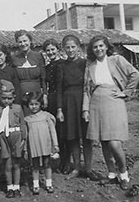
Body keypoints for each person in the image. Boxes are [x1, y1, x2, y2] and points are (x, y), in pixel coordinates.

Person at [82, 35, 139, 190]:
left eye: (101, 46)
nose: (98, 49)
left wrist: (126, 92)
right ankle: (111, 174)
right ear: (92, 50)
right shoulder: (90, 66)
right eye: (95, 47)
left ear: (107, 47)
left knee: (114, 143)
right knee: (103, 142)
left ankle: (123, 174)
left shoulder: (117, 60)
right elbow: (86, 90)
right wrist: (85, 109)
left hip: (114, 101)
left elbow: (135, 74)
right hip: (96, 103)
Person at [56, 35, 94, 180]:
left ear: (78, 47)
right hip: (68, 104)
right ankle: (77, 167)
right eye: (67, 47)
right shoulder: (62, 66)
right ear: (64, 49)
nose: (70, 50)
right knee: (73, 138)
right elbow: (59, 89)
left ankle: (88, 168)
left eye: (73, 47)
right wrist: (59, 109)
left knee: (87, 137)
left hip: (84, 101)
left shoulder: (85, 63)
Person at [0, 79, 27, 198]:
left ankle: (17, 187)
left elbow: (23, 124)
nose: (6, 101)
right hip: (3, 138)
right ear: (0, 97)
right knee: (7, 164)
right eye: (3, 98)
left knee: (17, 163)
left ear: (14, 97)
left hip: (16, 136)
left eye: (9, 98)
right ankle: (9, 187)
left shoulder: (18, 108)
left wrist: (24, 139)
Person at [24, 91, 59, 195]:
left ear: (40, 104)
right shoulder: (27, 119)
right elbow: (25, 136)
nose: (34, 107)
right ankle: (35, 185)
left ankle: (49, 183)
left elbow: (52, 131)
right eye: (31, 104)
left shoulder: (46, 116)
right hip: (34, 145)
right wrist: (25, 149)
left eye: (36, 104)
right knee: (35, 165)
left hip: (45, 144)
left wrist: (55, 144)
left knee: (47, 163)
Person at [42, 38, 66, 173]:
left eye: (52, 49)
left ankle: (65, 161)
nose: (50, 52)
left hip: (61, 98)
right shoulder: (47, 67)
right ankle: (55, 159)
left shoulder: (62, 64)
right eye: (48, 50)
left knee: (63, 130)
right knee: (53, 129)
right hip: (51, 98)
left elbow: (61, 85)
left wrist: (60, 106)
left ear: (57, 49)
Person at [11, 30, 47, 114]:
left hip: (36, 93)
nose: (23, 44)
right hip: (21, 93)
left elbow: (43, 78)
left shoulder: (38, 56)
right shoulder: (14, 58)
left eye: (25, 41)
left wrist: (45, 95)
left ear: (30, 41)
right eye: (20, 42)